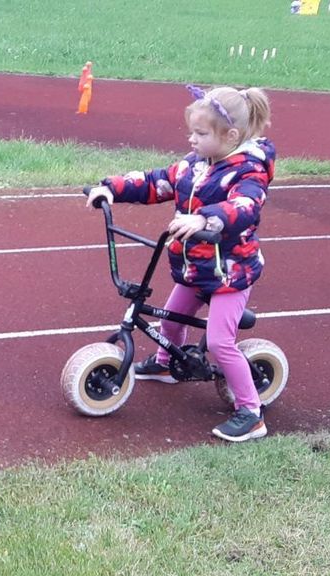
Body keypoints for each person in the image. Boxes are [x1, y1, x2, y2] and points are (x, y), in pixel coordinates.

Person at [86, 85, 274, 442]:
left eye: (200, 134)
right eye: (192, 132)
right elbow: (156, 182)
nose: (192, 139)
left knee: (219, 343)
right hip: (195, 268)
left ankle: (251, 413)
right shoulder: (194, 166)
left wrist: (206, 218)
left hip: (229, 272)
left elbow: (245, 206)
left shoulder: (250, 172)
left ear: (230, 136)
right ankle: (165, 364)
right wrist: (111, 187)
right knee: (170, 320)